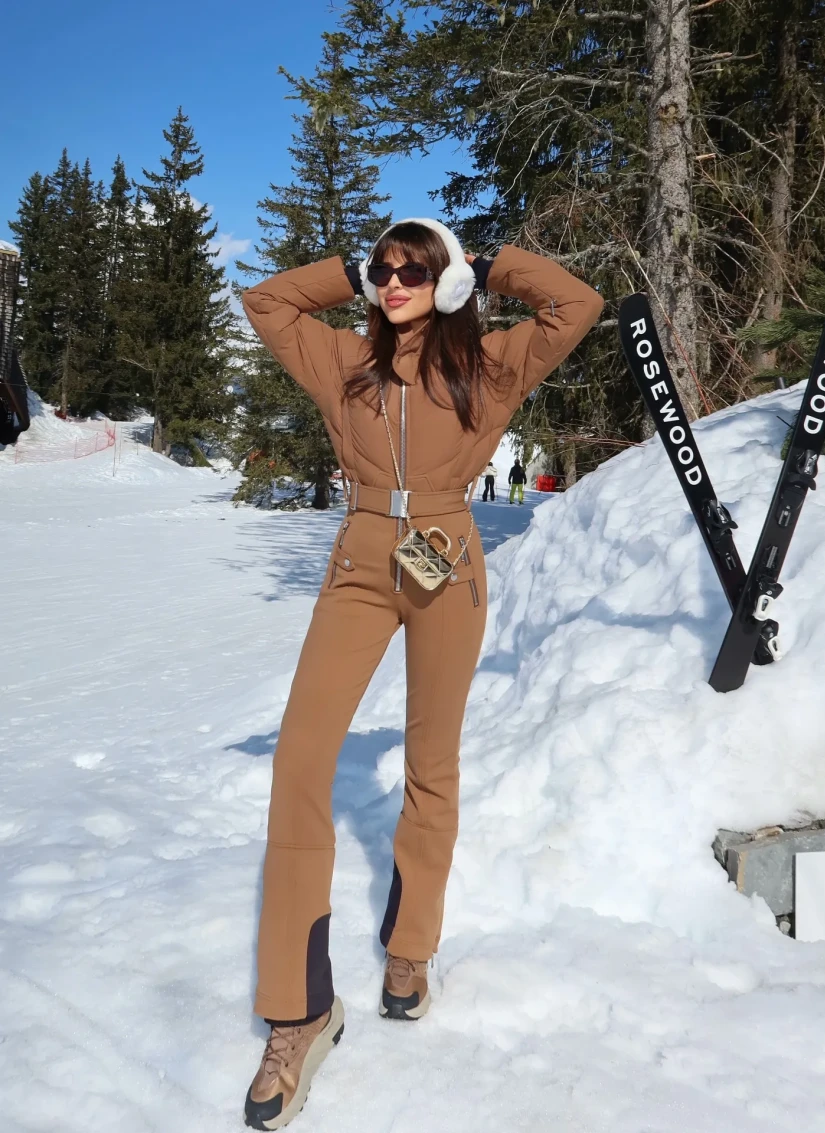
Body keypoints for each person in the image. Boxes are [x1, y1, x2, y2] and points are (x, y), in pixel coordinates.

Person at [240, 217, 604, 1129]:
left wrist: (491, 265)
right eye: (384, 268)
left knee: (430, 762)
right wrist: (345, 270)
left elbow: (577, 305)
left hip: (448, 558)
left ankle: (410, 947)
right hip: (363, 561)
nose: (394, 281)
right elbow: (266, 301)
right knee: (300, 761)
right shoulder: (343, 361)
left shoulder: (490, 363)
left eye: (414, 269)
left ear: (444, 284)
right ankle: (299, 1011)